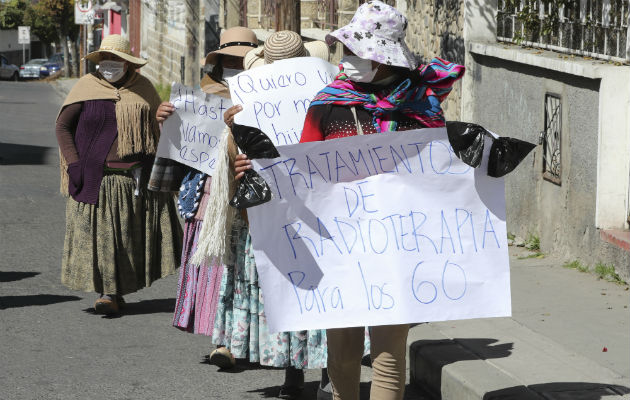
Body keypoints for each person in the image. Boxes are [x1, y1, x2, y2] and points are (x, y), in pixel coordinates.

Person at [231, 2, 465, 399]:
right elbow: (302, 169)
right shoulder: (328, 102)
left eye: (360, 52)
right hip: (340, 246)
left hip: (398, 244)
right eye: (349, 50)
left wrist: (480, 161)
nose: (350, 59)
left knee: (389, 357)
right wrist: (259, 168)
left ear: (385, 59)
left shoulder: (421, 106)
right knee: (342, 355)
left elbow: (440, 172)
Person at [159, 30, 338, 399]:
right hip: (262, 213)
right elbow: (223, 156)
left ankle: (329, 372)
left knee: (318, 295)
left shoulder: (327, 101)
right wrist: (235, 156)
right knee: (284, 294)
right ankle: (293, 373)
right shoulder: (245, 104)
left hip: (314, 211)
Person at [55, 34, 183, 315]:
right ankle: (108, 293)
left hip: (135, 180)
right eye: (105, 59)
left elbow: (158, 133)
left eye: (116, 59)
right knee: (102, 238)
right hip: (95, 178)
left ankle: (117, 291)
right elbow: (63, 128)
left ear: (128, 64)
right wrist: (74, 164)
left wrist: (162, 117)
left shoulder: (144, 89)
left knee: (128, 239)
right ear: (99, 61)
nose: (110, 64)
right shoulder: (85, 88)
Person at [157, 26, 258, 364]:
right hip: (206, 192)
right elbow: (182, 143)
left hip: (248, 193)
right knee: (213, 264)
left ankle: (236, 337)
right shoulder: (200, 96)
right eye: (228, 59)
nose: (234, 65)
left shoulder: (266, 96)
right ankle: (221, 340)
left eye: (241, 59)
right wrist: (166, 120)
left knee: (239, 269)